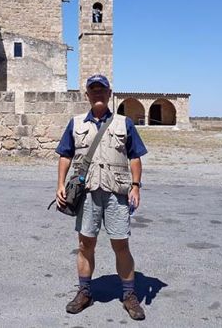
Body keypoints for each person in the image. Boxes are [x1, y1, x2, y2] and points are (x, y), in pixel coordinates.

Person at [55, 74, 148, 321]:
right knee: (85, 245)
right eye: (93, 90)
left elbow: (135, 156)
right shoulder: (75, 123)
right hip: (86, 194)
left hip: (117, 193)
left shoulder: (124, 123)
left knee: (121, 244)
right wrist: (60, 185)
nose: (97, 94)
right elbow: (65, 155)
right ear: (87, 95)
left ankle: (129, 295)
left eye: (101, 90)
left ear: (109, 94)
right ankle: (84, 291)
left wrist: (136, 186)